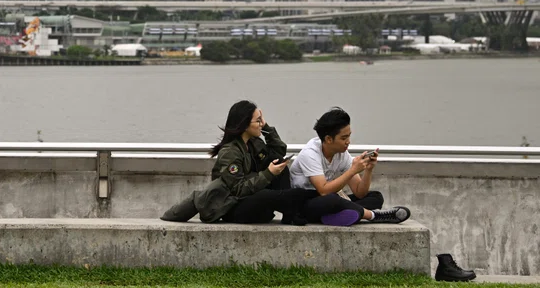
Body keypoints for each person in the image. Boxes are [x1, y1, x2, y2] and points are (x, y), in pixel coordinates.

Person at [161, 100, 312, 225]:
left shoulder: (254, 142)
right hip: (233, 207)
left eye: (261, 121)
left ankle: (290, 214)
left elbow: (279, 151)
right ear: (245, 124)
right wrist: (268, 174)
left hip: (253, 202)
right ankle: (300, 199)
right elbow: (238, 189)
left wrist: (266, 128)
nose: (260, 124)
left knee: (280, 167)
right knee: (266, 194)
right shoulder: (229, 152)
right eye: (258, 121)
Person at [289, 107, 410, 226]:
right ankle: (373, 215)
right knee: (332, 199)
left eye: (349, 136)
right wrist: (352, 170)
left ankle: (343, 215)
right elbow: (324, 191)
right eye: (343, 138)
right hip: (305, 205)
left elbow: (360, 193)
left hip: (331, 202)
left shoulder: (342, 154)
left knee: (375, 197)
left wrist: (368, 170)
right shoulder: (310, 154)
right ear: (328, 139)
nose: (348, 141)